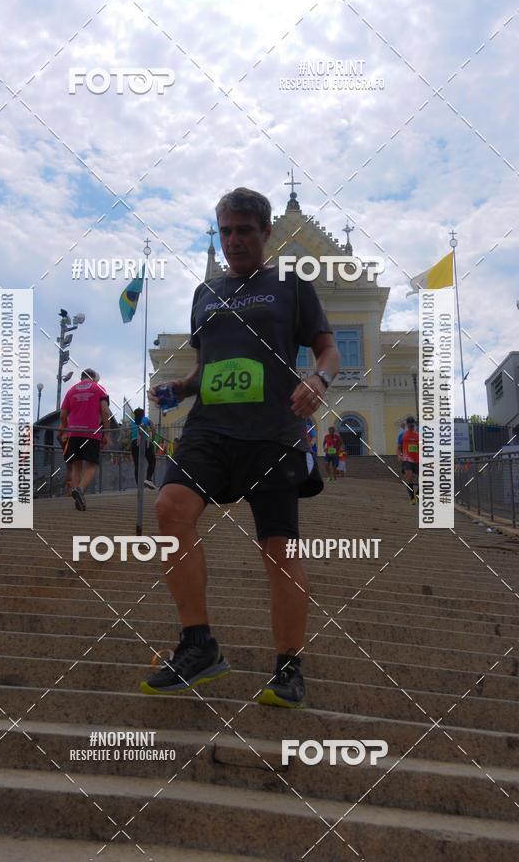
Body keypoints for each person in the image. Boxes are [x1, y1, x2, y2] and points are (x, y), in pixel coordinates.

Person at [142, 186, 340, 708]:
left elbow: (328, 347)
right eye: (225, 230)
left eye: (244, 231)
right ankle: (198, 643)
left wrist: (319, 380)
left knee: (279, 550)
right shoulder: (205, 294)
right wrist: (181, 388)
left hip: (273, 432)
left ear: (265, 232)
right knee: (169, 508)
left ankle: (288, 666)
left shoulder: (292, 287)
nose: (233, 241)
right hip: (209, 429)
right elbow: (207, 366)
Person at [59, 368, 109, 511]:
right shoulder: (99, 388)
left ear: (81, 378)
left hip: (73, 433)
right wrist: (106, 433)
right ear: (93, 378)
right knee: (92, 465)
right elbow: (105, 411)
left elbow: (63, 415)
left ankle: (77, 500)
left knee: (76, 467)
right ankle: (80, 490)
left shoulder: (71, 390)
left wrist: (66, 426)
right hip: (91, 433)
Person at [130, 408, 157, 489]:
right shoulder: (146, 419)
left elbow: (131, 433)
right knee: (152, 461)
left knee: (137, 464)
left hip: (134, 443)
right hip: (145, 442)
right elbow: (153, 427)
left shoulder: (132, 421)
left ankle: (139, 486)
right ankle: (148, 479)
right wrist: (153, 438)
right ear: (143, 414)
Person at [399, 415, 420, 503]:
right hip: (407, 460)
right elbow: (398, 447)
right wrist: (399, 455)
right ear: (407, 424)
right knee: (409, 477)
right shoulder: (402, 434)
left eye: (412, 423)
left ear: (414, 424)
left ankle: (418, 495)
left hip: (417, 460)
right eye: (409, 423)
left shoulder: (418, 435)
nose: (411, 425)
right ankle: (412, 498)